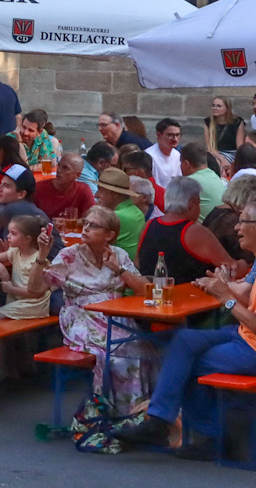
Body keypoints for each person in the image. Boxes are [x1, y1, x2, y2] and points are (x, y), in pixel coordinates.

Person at [117, 208, 256, 450]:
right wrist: (222, 287)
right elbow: (247, 299)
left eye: (243, 221)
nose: (236, 227)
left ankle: (213, 437)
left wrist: (226, 297)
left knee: (185, 364)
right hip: (243, 334)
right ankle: (162, 422)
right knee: (183, 340)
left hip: (251, 346)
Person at [45, 205, 152, 408]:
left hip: (114, 316)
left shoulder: (118, 256)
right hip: (81, 316)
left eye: (93, 226)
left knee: (140, 350)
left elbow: (143, 290)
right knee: (111, 355)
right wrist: (42, 256)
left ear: (109, 235)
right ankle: (106, 412)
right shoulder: (69, 255)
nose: (85, 228)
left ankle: (136, 413)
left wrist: (118, 269)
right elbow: (38, 288)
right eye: (85, 223)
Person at [0, 213, 54, 388]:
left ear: (27, 239)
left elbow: (37, 293)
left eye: (13, 233)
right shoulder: (15, 252)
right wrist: (0, 268)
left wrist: (12, 289)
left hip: (34, 304)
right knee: (2, 320)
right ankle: (20, 367)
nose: (8, 236)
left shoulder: (40, 261)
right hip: (18, 301)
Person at [135, 175, 231, 283]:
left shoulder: (148, 225)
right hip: (191, 297)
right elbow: (231, 267)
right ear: (191, 204)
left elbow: (138, 263)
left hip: (150, 296)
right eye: (198, 203)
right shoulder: (195, 232)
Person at [94, 165, 147, 257]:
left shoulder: (115, 216)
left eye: (100, 190)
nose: (96, 195)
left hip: (115, 267)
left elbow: (90, 245)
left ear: (114, 194)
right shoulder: (136, 211)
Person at [34, 153, 94, 221]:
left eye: (65, 168)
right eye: (59, 165)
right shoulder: (38, 188)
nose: (59, 170)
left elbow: (92, 217)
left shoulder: (83, 190)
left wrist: (68, 223)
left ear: (77, 175)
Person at [181, 142, 229, 217]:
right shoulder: (215, 176)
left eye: (180, 163)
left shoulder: (189, 182)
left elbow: (171, 210)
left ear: (186, 164)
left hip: (203, 227)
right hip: (219, 224)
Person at [145, 117, 184, 188]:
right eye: (170, 135)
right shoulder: (149, 155)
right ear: (158, 135)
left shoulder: (177, 155)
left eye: (177, 135)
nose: (175, 139)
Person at [207, 96, 245, 163]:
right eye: (213, 105)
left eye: (219, 106)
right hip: (216, 153)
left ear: (227, 108)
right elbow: (210, 147)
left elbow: (240, 146)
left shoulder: (237, 122)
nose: (215, 108)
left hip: (233, 153)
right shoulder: (209, 122)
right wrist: (222, 159)